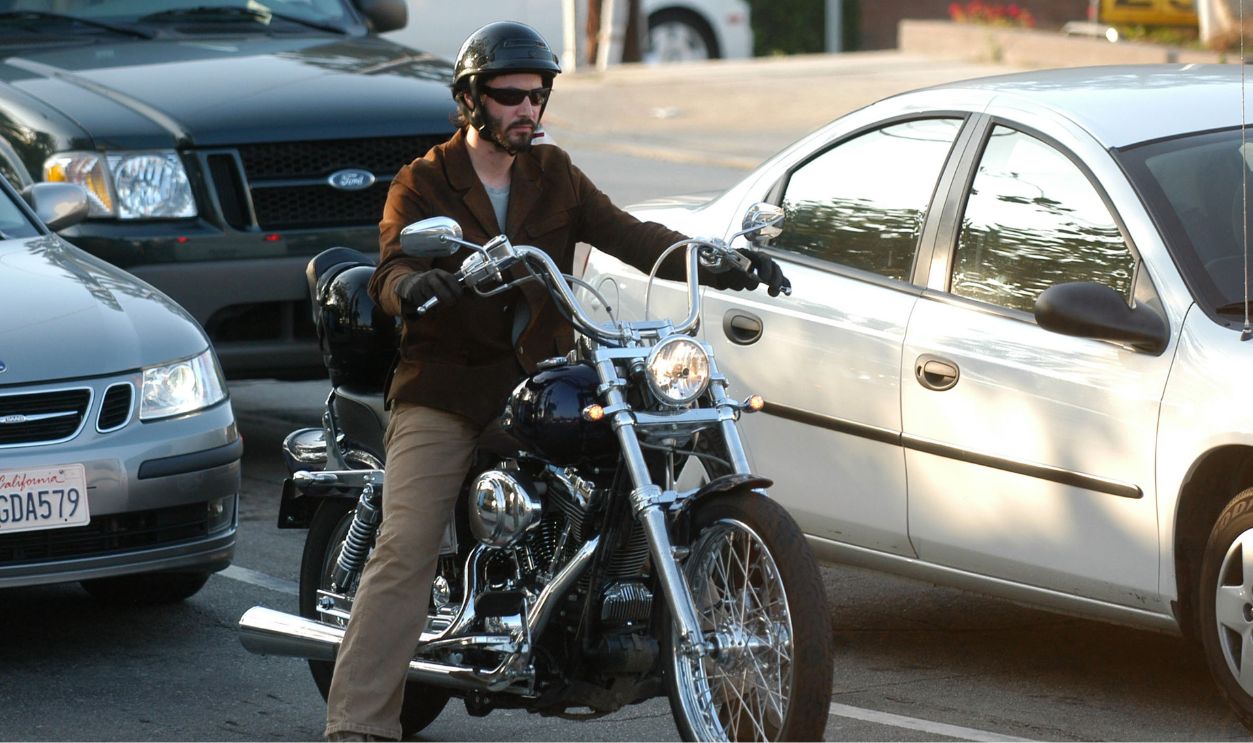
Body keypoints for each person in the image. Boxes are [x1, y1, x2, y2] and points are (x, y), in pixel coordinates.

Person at [323, 20, 787, 742]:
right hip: (446, 387)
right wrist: (412, 287)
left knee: (635, 450)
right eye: (510, 95)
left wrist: (715, 260)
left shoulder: (556, 173)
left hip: (539, 379)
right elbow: (390, 268)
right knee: (407, 543)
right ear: (471, 99)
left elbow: (632, 234)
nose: (527, 110)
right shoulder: (424, 179)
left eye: (537, 96)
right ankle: (358, 724)